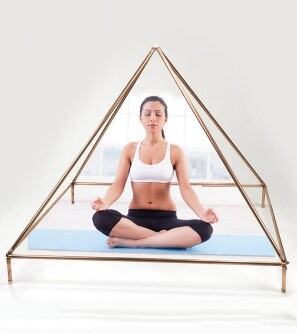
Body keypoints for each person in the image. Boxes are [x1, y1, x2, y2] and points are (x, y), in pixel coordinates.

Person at [91, 96, 219, 249]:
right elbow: (118, 184)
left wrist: (202, 213)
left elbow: (186, 189)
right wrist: (105, 202)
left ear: (166, 118)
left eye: (158, 114)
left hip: (167, 219)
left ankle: (135, 243)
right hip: (135, 220)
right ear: (140, 118)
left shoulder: (175, 151)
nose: (153, 118)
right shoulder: (130, 149)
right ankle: (169, 240)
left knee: (205, 229)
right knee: (100, 218)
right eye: (147, 114)